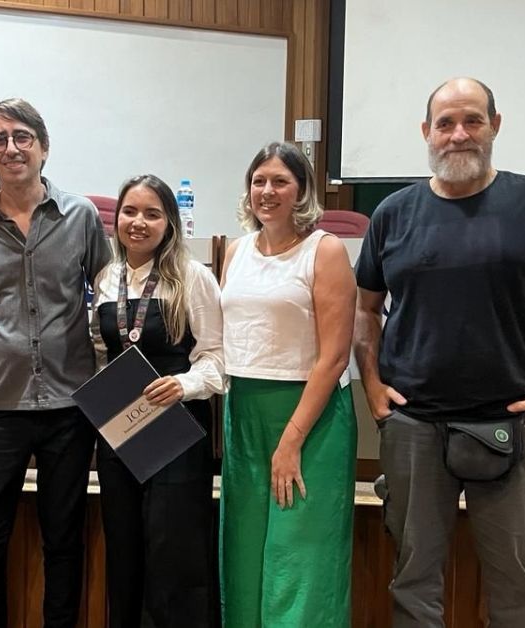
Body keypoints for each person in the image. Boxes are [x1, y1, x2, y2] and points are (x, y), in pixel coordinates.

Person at [353, 77, 525, 628]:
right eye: (445, 123)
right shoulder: (393, 213)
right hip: (414, 426)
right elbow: (365, 309)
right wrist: (372, 386)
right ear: (426, 132)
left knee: (517, 590)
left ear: (495, 125)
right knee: (412, 584)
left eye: (472, 120)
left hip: (516, 425)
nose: (459, 134)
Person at [0, 98, 111, 628]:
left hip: (70, 406)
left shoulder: (81, 216)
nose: (11, 148)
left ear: (43, 147)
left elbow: (110, 298)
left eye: (22, 137)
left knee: (63, 540)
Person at [218, 142, 358, 627]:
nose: (267, 191)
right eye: (259, 181)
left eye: (280, 181)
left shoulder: (325, 250)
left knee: (299, 556)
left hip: (308, 418)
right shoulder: (235, 251)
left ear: (301, 191)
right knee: (244, 550)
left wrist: (292, 439)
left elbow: (334, 357)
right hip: (244, 413)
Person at [90, 175, 225, 628]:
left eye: (152, 214)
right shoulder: (107, 278)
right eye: (130, 212)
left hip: (176, 430)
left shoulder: (193, 276)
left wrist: (184, 384)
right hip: (120, 430)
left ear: (170, 223)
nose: (139, 222)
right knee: (124, 551)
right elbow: (102, 350)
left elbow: (217, 357)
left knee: (174, 555)